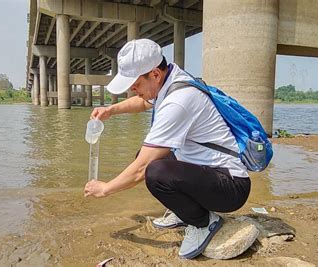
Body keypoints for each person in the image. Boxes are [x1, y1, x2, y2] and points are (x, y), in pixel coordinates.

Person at [84, 39, 250, 259]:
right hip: (209, 173)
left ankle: (203, 223)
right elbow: (144, 102)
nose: (132, 90)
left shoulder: (178, 101)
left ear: (154, 74)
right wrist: (111, 110)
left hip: (230, 187)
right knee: (151, 161)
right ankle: (185, 212)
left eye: (135, 84)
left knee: (154, 171)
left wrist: (105, 189)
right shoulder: (170, 79)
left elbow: (140, 169)